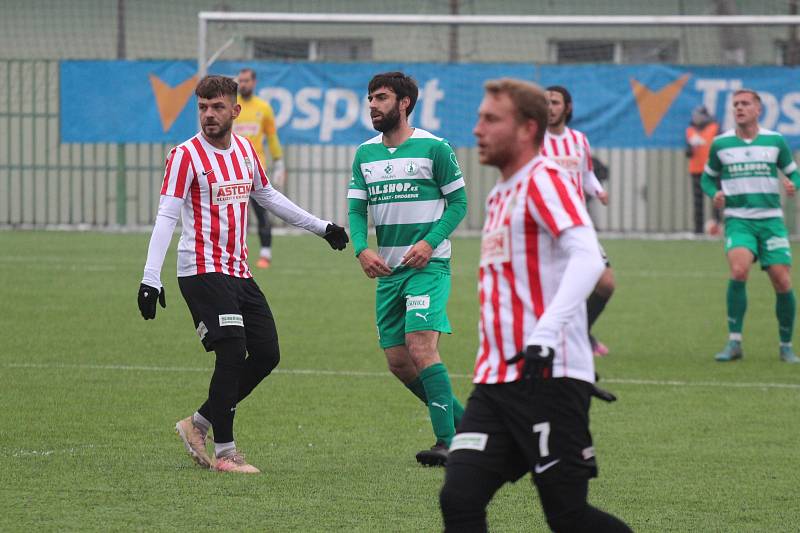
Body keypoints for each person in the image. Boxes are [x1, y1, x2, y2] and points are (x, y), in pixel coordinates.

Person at [439, 78, 632, 532]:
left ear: (527, 128)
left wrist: (545, 335)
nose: (477, 129)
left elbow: (588, 257)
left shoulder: (545, 179)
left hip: (550, 376)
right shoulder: (499, 193)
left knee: (568, 517)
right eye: (479, 117)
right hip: (497, 379)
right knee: (460, 497)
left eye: (491, 119)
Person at [137, 75, 349, 474]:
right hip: (200, 270)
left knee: (267, 353)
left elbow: (268, 196)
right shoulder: (185, 156)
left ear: (235, 110)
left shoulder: (246, 151)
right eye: (202, 107)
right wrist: (151, 277)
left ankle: (197, 424)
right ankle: (226, 454)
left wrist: (322, 227)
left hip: (239, 271)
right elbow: (166, 216)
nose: (208, 115)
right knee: (232, 352)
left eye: (217, 107)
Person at [347, 71, 468, 466]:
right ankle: (470, 428)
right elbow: (356, 209)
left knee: (420, 347)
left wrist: (429, 242)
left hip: (429, 267)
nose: (372, 105)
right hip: (388, 273)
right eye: (369, 98)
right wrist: (362, 250)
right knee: (398, 361)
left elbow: (459, 204)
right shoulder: (366, 153)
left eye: (381, 98)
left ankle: (448, 442)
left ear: (404, 103)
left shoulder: (434, 148)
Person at [701, 88, 800, 363]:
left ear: (758, 109)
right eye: (736, 104)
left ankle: (786, 346)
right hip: (739, 219)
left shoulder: (775, 141)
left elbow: (793, 172)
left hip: (771, 221)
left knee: (782, 280)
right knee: (738, 270)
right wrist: (715, 193)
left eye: (745, 104)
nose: (739, 108)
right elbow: (707, 179)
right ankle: (734, 343)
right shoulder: (721, 144)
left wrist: (794, 184)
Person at [542, 85, 615, 357]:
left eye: (555, 102)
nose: (549, 107)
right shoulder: (534, 139)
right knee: (551, 287)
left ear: (567, 107)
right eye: (545, 102)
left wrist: (598, 190)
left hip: (578, 223)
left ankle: (581, 332)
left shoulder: (578, 140)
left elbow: (585, 175)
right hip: (547, 227)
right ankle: (549, 340)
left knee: (605, 283)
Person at [234, 67, 286, 269]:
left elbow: (272, 137)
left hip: (256, 168)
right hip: (232, 168)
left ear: (254, 82)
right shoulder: (232, 106)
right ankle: (236, 253)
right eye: (241, 80)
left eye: (247, 80)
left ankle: (266, 253)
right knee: (234, 213)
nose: (243, 84)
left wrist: (279, 161)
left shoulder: (263, 108)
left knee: (261, 210)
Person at [686, 105, 721, 235]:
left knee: (716, 199)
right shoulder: (690, 130)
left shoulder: (715, 128)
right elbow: (688, 153)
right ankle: (698, 230)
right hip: (696, 170)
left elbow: (721, 148)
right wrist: (691, 146)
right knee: (698, 201)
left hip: (713, 170)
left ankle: (717, 226)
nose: (696, 119)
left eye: (699, 116)